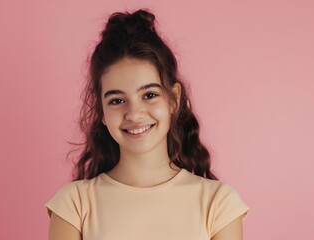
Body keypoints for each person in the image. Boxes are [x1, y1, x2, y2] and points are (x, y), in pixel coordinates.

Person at [45, 8, 249, 240]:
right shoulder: (74, 205)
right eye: (117, 100)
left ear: (174, 98)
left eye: (149, 95)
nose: (134, 113)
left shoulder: (218, 203)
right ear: (101, 112)